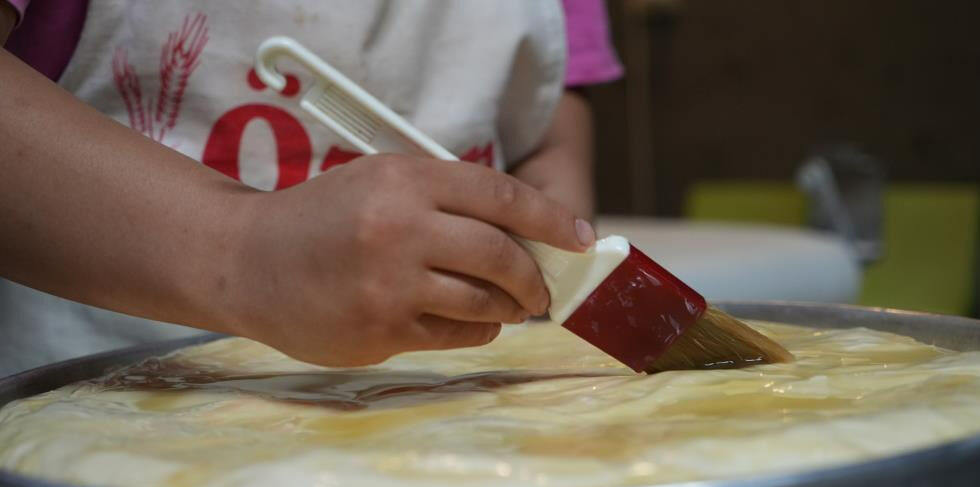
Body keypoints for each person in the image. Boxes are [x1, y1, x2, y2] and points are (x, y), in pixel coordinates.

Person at [0, 0, 623, 373]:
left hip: (463, 418)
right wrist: (243, 251)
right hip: (122, 417)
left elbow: (548, 125)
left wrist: (546, 241)